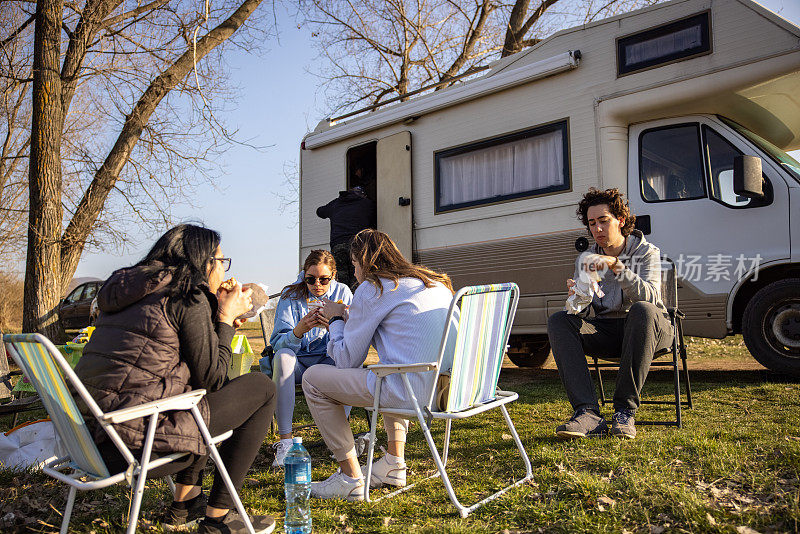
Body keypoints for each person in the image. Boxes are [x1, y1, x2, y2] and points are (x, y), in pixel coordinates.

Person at [75, 224, 277, 534]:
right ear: (203, 261)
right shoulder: (185, 294)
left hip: (89, 438)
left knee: (191, 398)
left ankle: (185, 505)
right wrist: (224, 319)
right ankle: (216, 521)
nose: (223, 271)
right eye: (221, 262)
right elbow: (213, 379)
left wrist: (217, 314)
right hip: (136, 443)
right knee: (263, 388)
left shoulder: (129, 289)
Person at [301, 229, 453, 501]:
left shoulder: (374, 287)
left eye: (355, 264)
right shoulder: (431, 281)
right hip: (450, 389)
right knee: (389, 366)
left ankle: (349, 479)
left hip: (412, 392)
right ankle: (394, 464)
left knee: (312, 379)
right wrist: (351, 316)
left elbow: (347, 361)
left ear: (364, 262)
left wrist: (335, 320)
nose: (355, 271)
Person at [547, 188, 673, 440]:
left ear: (621, 221)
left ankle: (624, 412)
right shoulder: (586, 258)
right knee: (559, 320)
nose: (597, 229)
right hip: (607, 330)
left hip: (648, 330)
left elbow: (650, 298)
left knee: (642, 310)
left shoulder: (646, 252)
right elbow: (581, 311)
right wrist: (576, 297)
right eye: (592, 223)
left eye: (604, 220)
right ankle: (588, 413)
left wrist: (618, 268)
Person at [265, 249, 353, 467]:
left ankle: (341, 440)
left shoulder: (343, 292)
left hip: (326, 362)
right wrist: (298, 330)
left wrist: (334, 326)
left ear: (333, 275)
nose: (317, 285)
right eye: (310, 279)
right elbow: (276, 343)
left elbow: (352, 339)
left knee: (350, 360)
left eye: (324, 279)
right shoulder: (290, 295)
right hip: (298, 364)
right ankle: (285, 442)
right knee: (283, 356)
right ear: (304, 276)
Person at [316, 184, 376, 289]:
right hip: (357, 245)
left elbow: (320, 212)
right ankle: (355, 302)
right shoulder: (366, 204)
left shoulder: (336, 203)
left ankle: (343, 301)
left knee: (341, 280)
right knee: (357, 278)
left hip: (338, 245)